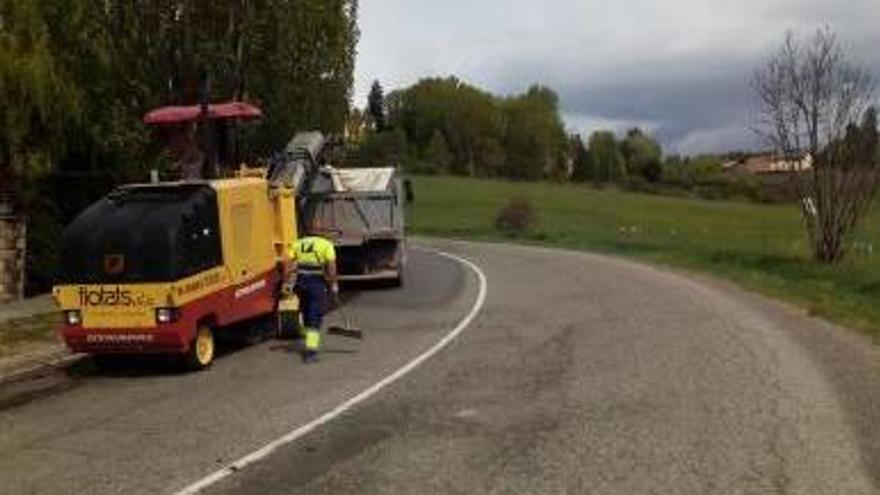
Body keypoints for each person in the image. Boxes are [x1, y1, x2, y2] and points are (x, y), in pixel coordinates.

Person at [290, 221, 338, 363]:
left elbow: (288, 263)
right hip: (316, 285)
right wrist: (334, 284)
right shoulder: (326, 245)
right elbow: (331, 267)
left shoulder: (297, 243)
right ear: (320, 231)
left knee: (305, 313)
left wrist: (286, 281)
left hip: (300, 285)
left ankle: (308, 335)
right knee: (315, 316)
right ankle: (311, 352)